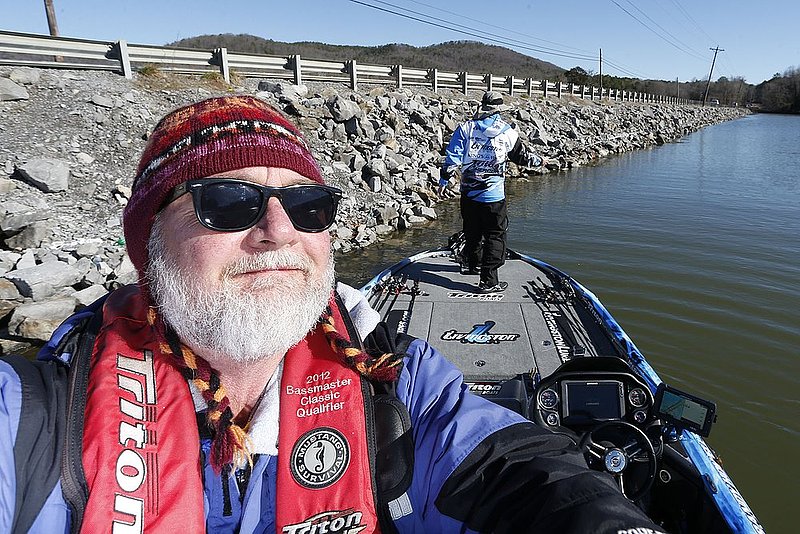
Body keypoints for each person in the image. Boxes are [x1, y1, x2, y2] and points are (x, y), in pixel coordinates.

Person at [0, 95, 665, 533]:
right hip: (491, 194)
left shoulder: (393, 382)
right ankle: (488, 270)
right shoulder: (35, 419)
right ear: (146, 249)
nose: (279, 232)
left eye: (308, 206)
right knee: (490, 238)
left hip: (471, 192)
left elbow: (512, 470)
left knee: (478, 233)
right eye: (227, 204)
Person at [438, 90, 547, 293]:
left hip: (469, 195)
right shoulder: (507, 132)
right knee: (495, 236)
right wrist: (539, 160)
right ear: (499, 110)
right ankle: (489, 281)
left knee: (471, 231)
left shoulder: (466, 128)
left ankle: (472, 265)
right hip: (494, 197)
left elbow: (452, 158)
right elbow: (521, 157)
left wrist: (444, 180)